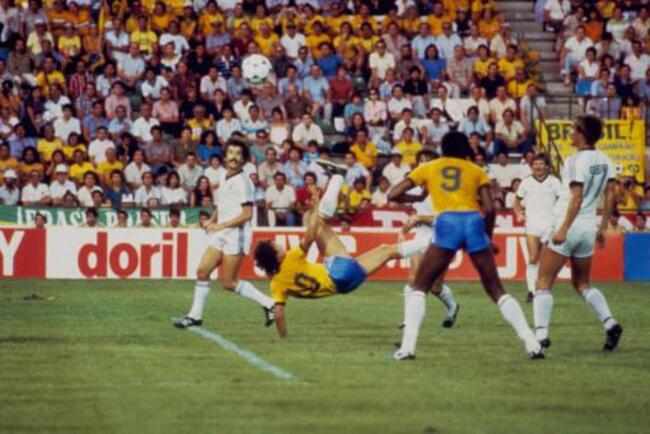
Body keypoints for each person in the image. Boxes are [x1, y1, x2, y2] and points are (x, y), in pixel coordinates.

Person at [388, 131, 543, 360]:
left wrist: (417, 199)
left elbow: (393, 193)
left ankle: (407, 348)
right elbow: (490, 209)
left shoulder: (430, 166)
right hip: (472, 222)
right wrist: (488, 238)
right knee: (496, 290)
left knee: (419, 287)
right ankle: (532, 344)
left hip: (447, 222)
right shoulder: (476, 170)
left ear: (444, 147)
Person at [253, 161, 414, 337]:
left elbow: (279, 314)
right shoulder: (291, 258)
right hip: (337, 272)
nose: (280, 244)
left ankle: (426, 242)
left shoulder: (276, 284)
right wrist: (316, 206)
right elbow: (311, 235)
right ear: (276, 256)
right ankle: (338, 176)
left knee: (387, 250)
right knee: (320, 223)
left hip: (345, 286)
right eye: (276, 245)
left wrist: (283, 337)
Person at [533, 115, 623, 353]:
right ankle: (610, 323)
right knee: (582, 283)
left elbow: (577, 196)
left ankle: (540, 336)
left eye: (574, 129)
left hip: (568, 224)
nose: (570, 133)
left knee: (542, 281)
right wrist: (602, 227)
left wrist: (562, 228)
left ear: (582, 133)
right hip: (587, 227)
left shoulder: (574, 160)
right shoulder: (605, 160)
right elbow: (611, 194)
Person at [174, 137, 275, 329]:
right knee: (202, 271)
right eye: (230, 153)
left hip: (236, 234)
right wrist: (212, 219)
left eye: (238, 154)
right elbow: (224, 203)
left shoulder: (244, 182)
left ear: (244, 158)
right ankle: (195, 316)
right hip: (222, 232)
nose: (234, 157)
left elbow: (247, 214)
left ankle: (268, 303)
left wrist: (220, 226)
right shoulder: (223, 175)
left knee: (228, 282)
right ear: (225, 155)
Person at [395, 150, 460, 329]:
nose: (424, 164)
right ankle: (408, 321)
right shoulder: (415, 189)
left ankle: (453, 307)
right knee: (413, 279)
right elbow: (416, 214)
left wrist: (422, 219)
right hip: (422, 235)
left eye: (428, 161)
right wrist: (404, 229)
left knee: (435, 287)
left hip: (443, 237)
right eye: (421, 161)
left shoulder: (446, 188)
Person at [513, 154, 561, 303]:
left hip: (550, 225)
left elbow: (562, 201)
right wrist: (519, 214)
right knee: (533, 258)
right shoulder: (526, 183)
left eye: (541, 164)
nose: (538, 167)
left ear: (546, 166)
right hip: (532, 224)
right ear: (531, 166)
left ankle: (544, 289)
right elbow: (517, 201)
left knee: (547, 261)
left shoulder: (554, 182)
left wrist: (559, 220)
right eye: (535, 164)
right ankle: (531, 291)